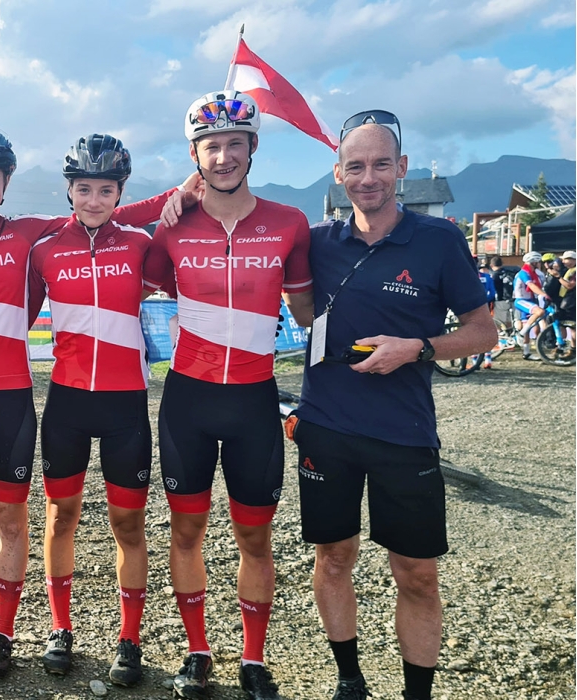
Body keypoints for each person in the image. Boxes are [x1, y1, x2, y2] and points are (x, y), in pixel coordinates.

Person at [0, 126, 192, 678]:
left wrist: (194, 182)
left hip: (88, 400)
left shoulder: (56, 237)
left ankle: (94, 638)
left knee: (111, 524)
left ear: (7, 182)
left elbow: (127, 217)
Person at [290, 110, 496, 700]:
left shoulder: (438, 240)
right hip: (325, 426)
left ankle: (416, 694)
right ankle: (349, 682)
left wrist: (418, 348)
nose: (369, 177)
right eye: (356, 166)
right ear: (338, 173)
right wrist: (188, 193)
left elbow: (485, 334)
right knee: (333, 558)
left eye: (382, 163)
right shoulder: (318, 241)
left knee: (419, 573)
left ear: (402, 169)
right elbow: (257, 250)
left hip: (404, 434)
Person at [142, 90, 314, 700]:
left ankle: (254, 657)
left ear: (252, 148)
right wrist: (166, 203)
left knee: (255, 536)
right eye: (210, 146)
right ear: (195, 154)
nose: (222, 157)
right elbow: (104, 227)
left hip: (253, 400)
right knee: (186, 532)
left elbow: (309, 307)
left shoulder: (290, 223)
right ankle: (196, 649)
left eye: (233, 144)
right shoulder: (173, 226)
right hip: (188, 397)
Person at [25, 134, 161, 688]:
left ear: (120, 192)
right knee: (61, 518)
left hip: (126, 403)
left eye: (106, 190)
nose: (94, 199)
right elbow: (13, 306)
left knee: (127, 524)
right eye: (84, 188)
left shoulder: (139, 245)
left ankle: (129, 639)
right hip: (68, 402)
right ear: (70, 191)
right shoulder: (46, 248)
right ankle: (62, 629)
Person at [513, 251, 547, 360]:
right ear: (533, 262)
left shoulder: (536, 274)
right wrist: (543, 294)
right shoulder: (524, 273)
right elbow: (531, 286)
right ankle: (520, 334)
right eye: (538, 262)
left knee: (528, 326)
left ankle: (526, 353)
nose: (539, 264)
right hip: (521, 300)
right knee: (539, 312)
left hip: (530, 300)